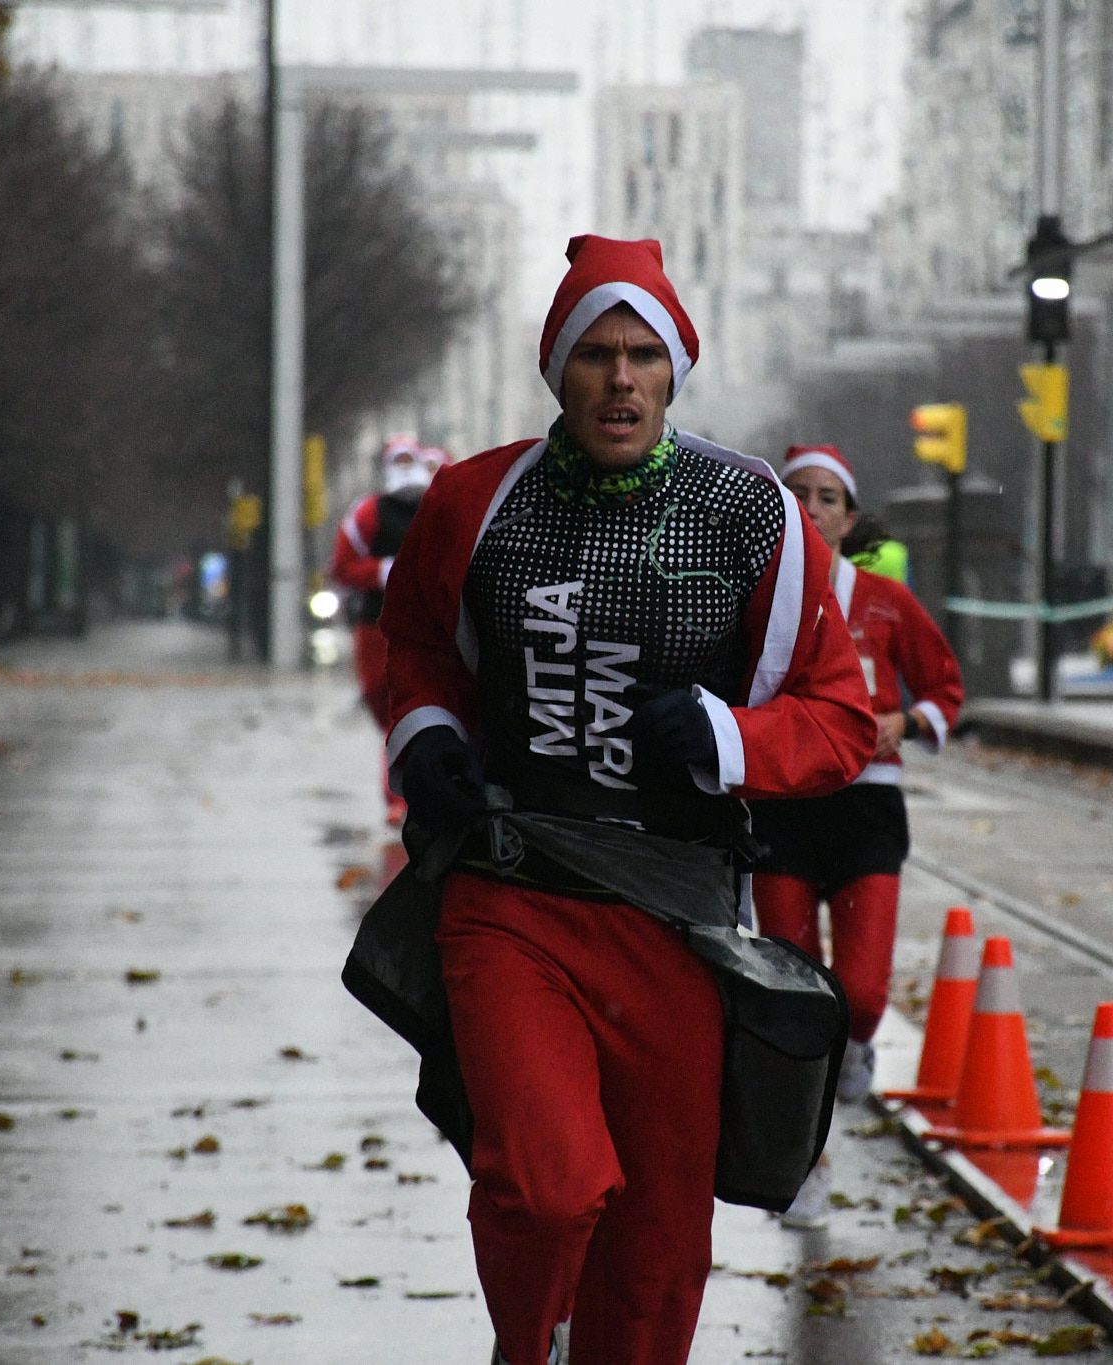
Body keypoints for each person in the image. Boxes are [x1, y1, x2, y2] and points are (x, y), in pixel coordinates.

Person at [374, 236, 877, 1365]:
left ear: (673, 371)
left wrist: (725, 737)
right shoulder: (473, 500)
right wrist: (427, 737)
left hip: (677, 913)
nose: (619, 378)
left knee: (656, 1252)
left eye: (642, 355)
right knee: (547, 1186)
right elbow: (418, 646)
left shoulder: (753, 514)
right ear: (558, 368)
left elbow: (841, 719)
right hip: (513, 892)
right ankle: (525, 1347)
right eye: (595, 353)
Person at [750, 444, 965, 1228]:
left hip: (867, 807)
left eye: (827, 497)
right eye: (797, 494)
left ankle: (862, 1041)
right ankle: (807, 1165)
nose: (812, 508)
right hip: (782, 806)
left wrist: (908, 720)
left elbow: (945, 687)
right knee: (796, 1001)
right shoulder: (754, 592)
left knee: (863, 993)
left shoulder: (884, 600)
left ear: (849, 517)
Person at [327, 437, 443, 822]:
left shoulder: (441, 508)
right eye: (401, 460)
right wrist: (382, 572)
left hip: (427, 630)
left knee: (405, 712)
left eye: (414, 460)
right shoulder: (368, 513)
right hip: (375, 628)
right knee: (385, 707)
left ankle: (402, 797)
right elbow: (342, 566)